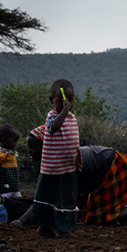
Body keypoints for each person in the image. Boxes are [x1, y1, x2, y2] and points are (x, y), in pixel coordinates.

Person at [21, 127, 127, 226]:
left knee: (99, 218)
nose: (30, 152)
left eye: (33, 147)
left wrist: (21, 221)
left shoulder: (61, 162)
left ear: (45, 146)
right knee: (84, 214)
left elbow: (43, 197)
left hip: (114, 165)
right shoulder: (56, 159)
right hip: (108, 165)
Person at [30, 79, 80, 237]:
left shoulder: (72, 118)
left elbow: (74, 142)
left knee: (66, 199)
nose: (67, 103)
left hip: (68, 167)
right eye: (62, 101)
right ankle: (45, 227)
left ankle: (64, 228)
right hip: (52, 168)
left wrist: (77, 159)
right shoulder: (52, 116)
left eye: (70, 100)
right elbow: (53, 128)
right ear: (51, 101)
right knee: (48, 197)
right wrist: (64, 110)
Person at [0, 124, 23, 198]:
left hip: (13, 185)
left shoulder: (10, 153)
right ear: (4, 140)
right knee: (5, 200)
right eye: (14, 141)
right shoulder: (0, 154)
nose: (15, 143)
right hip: (4, 187)